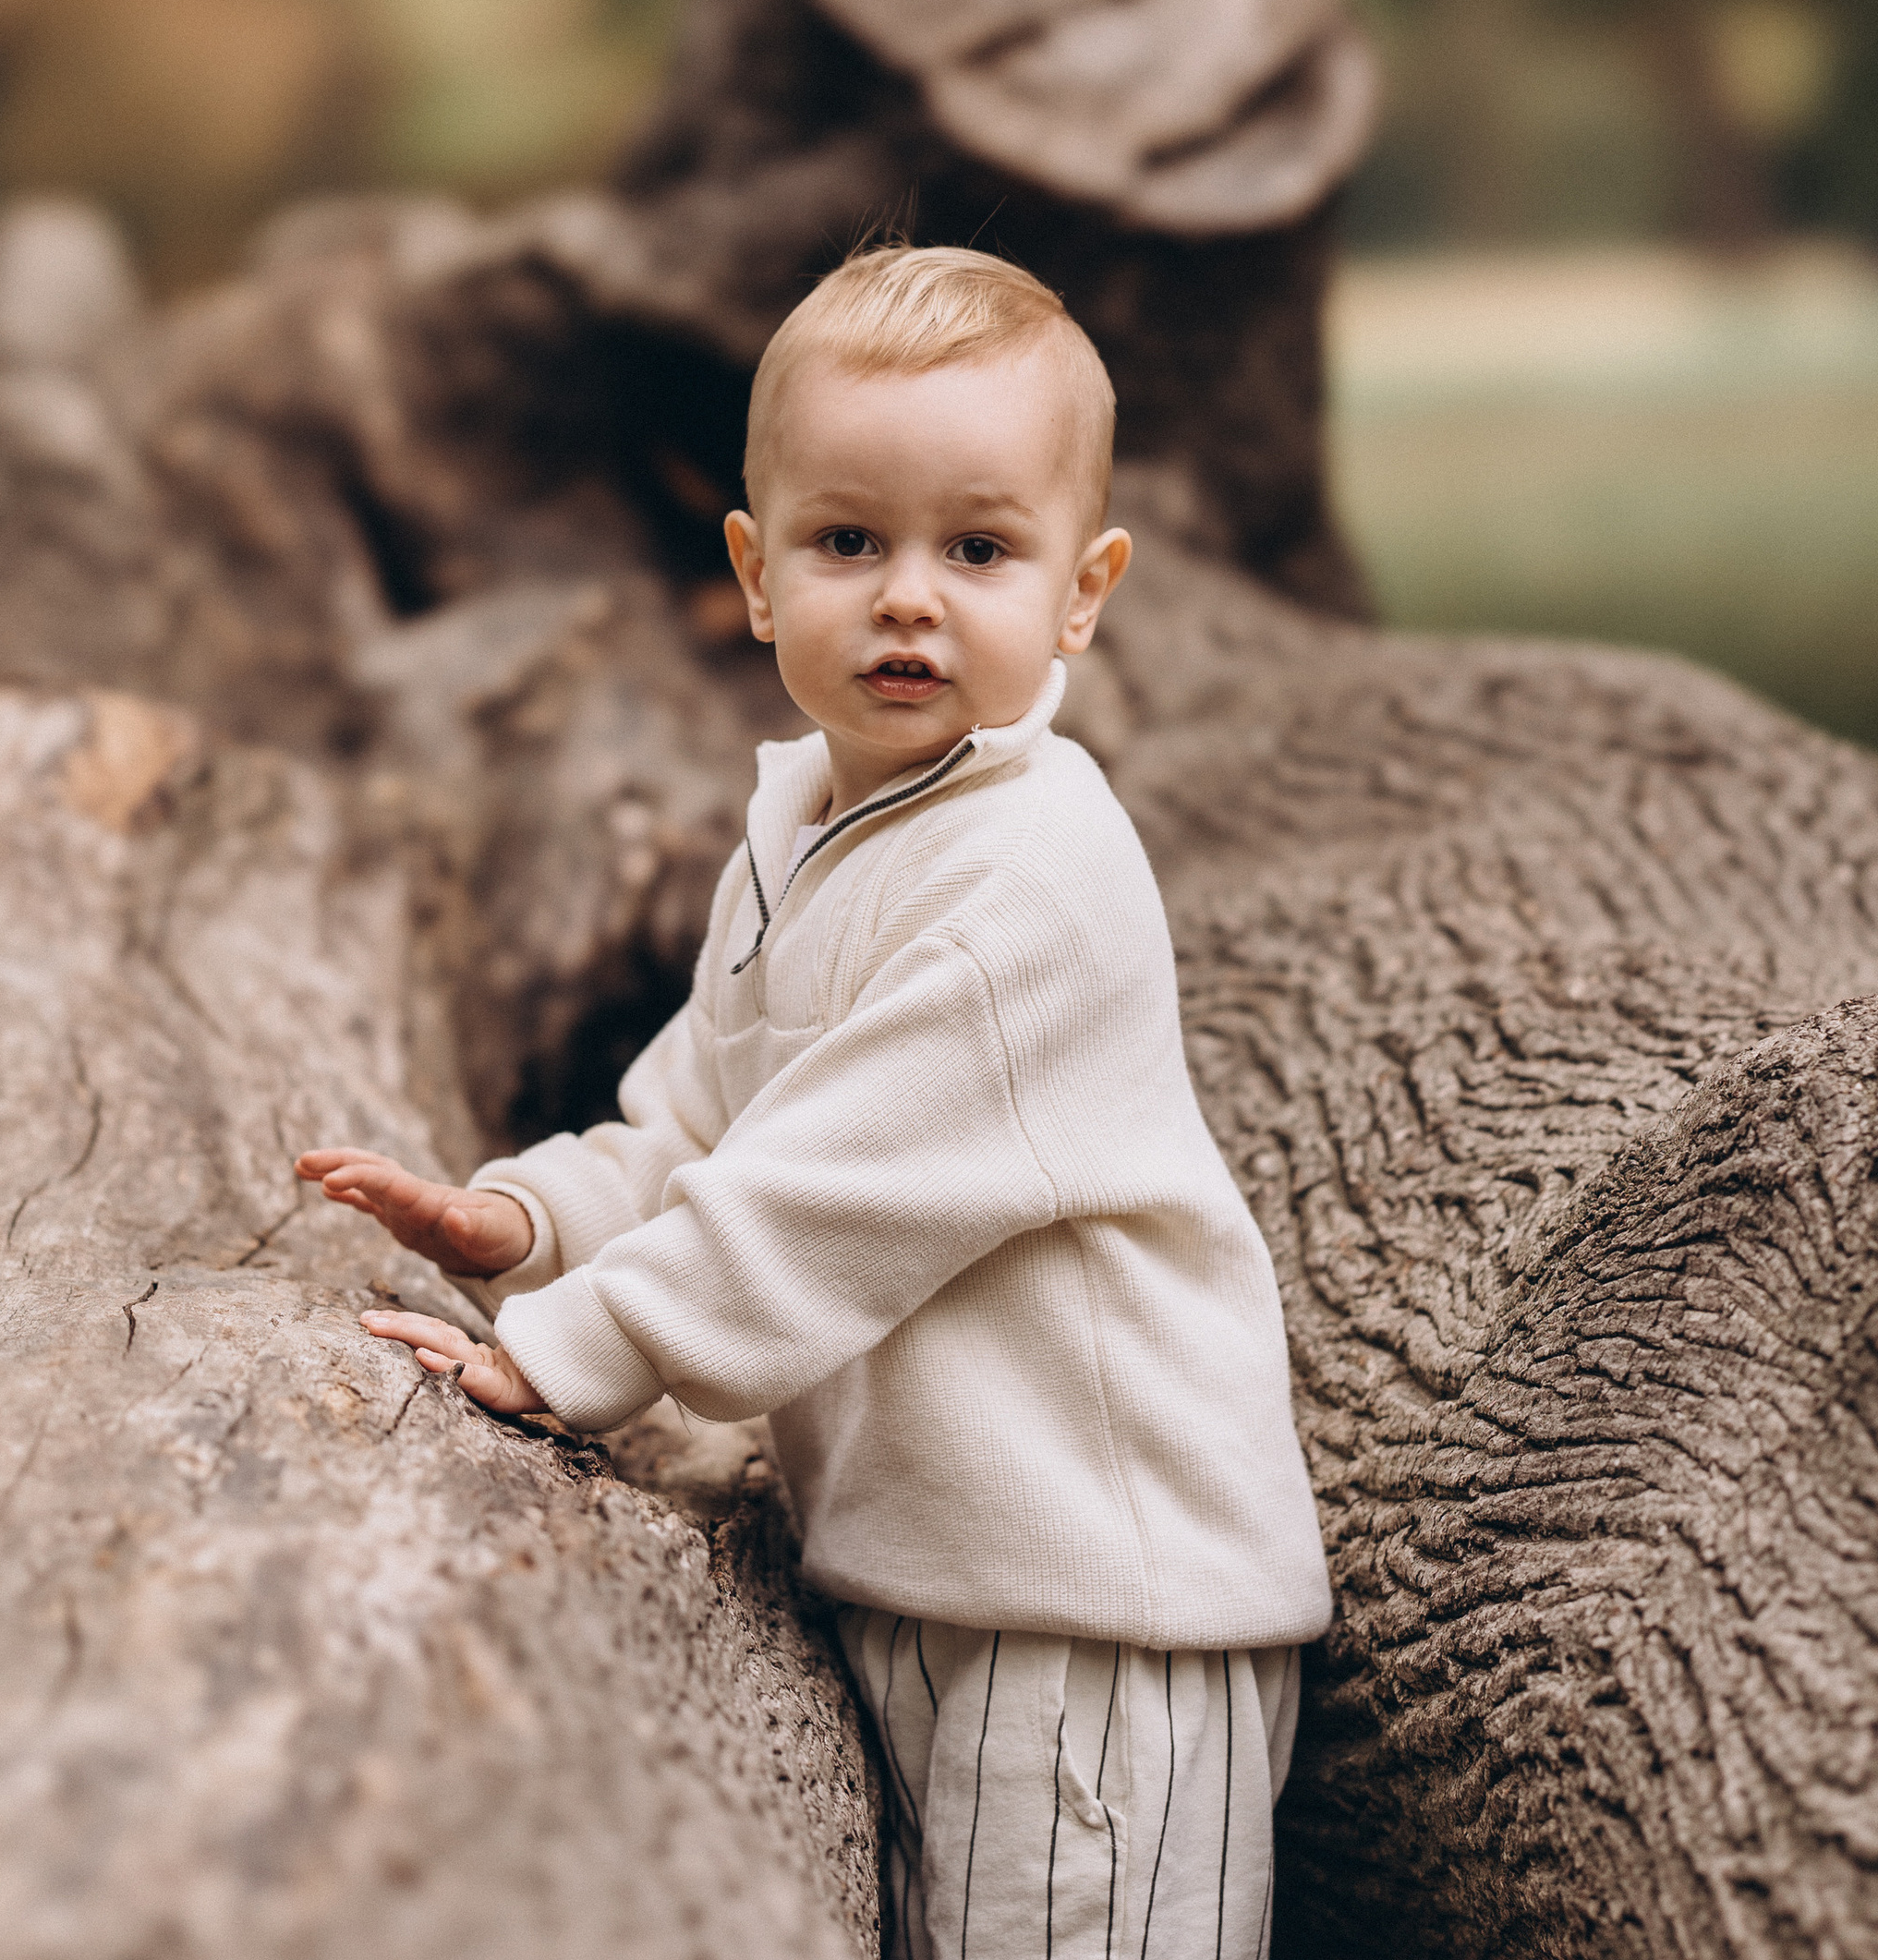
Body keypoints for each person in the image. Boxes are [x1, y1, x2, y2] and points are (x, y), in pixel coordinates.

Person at [297, 244, 1330, 1959]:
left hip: (1095, 1618)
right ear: (757, 573)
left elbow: (824, 1204)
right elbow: (708, 1127)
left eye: (979, 550)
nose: (910, 596)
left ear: (1083, 592)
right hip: (931, 1572)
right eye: (851, 542)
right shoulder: (799, 829)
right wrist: (531, 1226)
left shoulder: (1037, 878)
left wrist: (566, 1362)